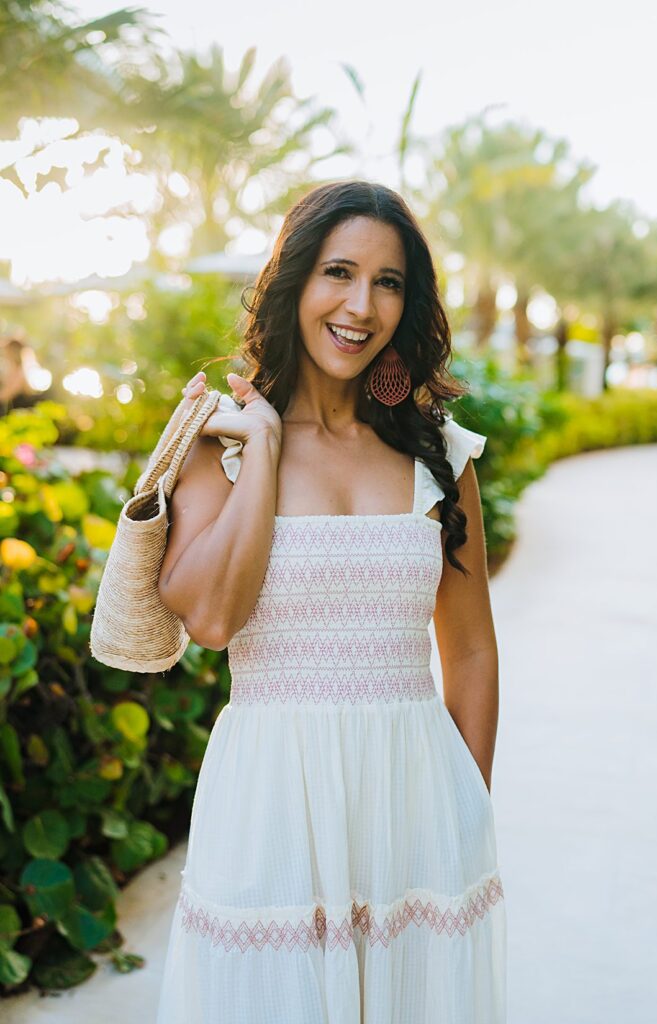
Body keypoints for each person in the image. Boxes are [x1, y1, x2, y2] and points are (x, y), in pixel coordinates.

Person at [155, 180, 506, 1023]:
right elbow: (209, 621)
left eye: (387, 282)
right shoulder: (222, 447)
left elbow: (468, 651)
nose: (360, 305)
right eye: (338, 272)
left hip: (415, 801)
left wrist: (463, 807)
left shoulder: (437, 454)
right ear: (294, 282)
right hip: (271, 798)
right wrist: (267, 448)